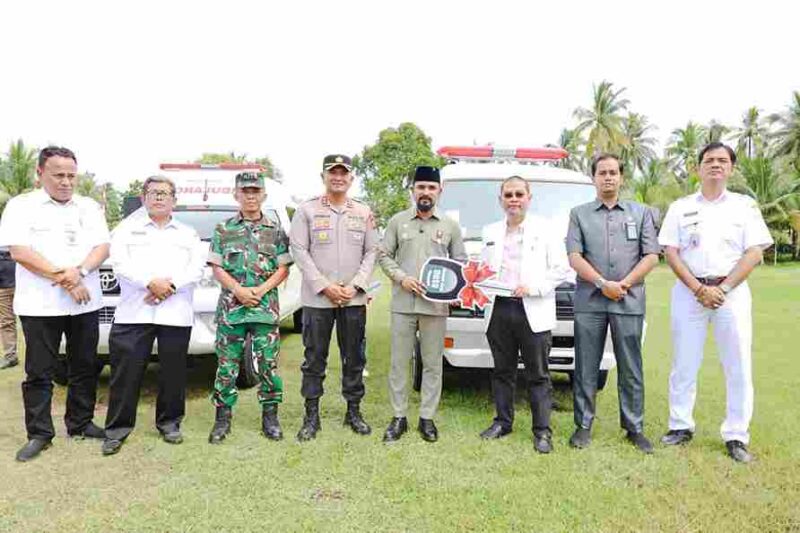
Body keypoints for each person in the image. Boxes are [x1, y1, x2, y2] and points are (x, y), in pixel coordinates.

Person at [658, 142, 772, 463]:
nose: (716, 165)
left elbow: (754, 252)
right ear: (698, 168)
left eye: (722, 160)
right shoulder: (681, 207)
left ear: (731, 168)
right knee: (684, 362)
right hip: (689, 292)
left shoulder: (744, 206)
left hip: (731, 294)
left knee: (737, 365)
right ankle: (680, 426)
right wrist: (698, 288)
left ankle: (736, 434)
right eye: (709, 160)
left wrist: (724, 286)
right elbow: (671, 252)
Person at [0, 146, 110, 462]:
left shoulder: (88, 207)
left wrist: (82, 273)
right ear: (40, 173)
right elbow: (20, 252)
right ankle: (39, 433)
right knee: (39, 371)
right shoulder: (21, 206)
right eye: (58, 174)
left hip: (84, 305)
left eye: (71, 175)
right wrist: (67, 279)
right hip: (40, 307)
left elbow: (102, 246)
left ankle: (80, 423)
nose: (65, 181)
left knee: (84, 366)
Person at [101, 176, 205, 456]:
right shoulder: (125, 230)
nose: (159, 197)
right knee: (125, 373)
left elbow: (196, 269)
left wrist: (168, 287)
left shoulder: (188, 234)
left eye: (164, 193)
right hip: (134, 313)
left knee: (173, 373)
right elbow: (119, 265)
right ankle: (117, 430)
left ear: (174, 199)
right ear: (144, 197)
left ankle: (170, 423)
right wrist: (150, 283)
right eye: (153, 192)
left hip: (175, 313)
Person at [565, 154, 660, 453]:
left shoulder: (642, 213)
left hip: (628, 300)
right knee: (586, 365)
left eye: (613, 172)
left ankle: (634, 427)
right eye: (602, 172)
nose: (608, 177)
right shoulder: (579, 214)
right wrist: (602, 284)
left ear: (621, 177)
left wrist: (623, 285)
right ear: (593, 178)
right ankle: (582, 426)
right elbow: (574, 257)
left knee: (631, 365)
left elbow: (651, 255)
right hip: (590, 301)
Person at [478, 176, 571, 453]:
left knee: (538, 374)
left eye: (519, 194)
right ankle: (502, 422)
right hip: (499, 308)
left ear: (529, 198)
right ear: (501, 200)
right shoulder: (490, 231)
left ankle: (542, 431)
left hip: (533, 308)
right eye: (508, 195)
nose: (514, 199)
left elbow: (561, 269)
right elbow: (482, 269)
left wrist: (532, 288)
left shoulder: (546, 230)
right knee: (502, 371)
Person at [290, 154, 377, 441]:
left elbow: (371, 252)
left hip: (353, 300)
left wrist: (357, 285)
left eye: (344, 173)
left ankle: (353, 411)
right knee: (314, 358)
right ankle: (311, 415)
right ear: (324, 177)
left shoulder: (363, 212)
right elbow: (299, 250)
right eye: (332, 172)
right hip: (318, 301)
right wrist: (324, 286)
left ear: (351, 178)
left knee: (354, 358)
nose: (338, 177)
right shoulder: (307, 210)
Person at [378, 166, 467, 443]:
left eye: (431, 187)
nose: (425, 192)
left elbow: (461, 263)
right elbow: (383, 255)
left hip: (435, 308)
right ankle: (399, 417)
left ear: (440, 191)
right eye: (421, 187)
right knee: (399, 363)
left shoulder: (450, 225)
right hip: (403, 303)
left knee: (432, 364)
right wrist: (401, 278)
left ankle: (427, 418)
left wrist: (453, 290)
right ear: (413, 191)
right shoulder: (397, 221)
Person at [207, 172, 292, 443]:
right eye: (245, 191)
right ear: (236, 195)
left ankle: (270, 417)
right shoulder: (223, 229)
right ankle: (222, 419)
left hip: (265, 309)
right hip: (232, 311)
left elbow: (283, 268)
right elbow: (216, 268)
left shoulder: (276, 231)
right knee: (226, 366)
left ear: (264, 195)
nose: (251, 196)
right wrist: (238, 290)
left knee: (268, 366)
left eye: (255, 191)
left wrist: (260, 291)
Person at [0, 246, 17, 369]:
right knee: (6, 321)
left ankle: (39, 355)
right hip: (2, 285)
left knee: (33, 322)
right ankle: (10, 356)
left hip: (23, 282)